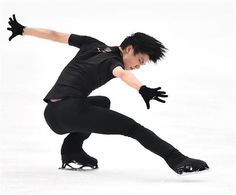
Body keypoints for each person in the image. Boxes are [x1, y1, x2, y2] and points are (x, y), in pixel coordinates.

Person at [7, 14, 209, 174]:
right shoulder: (114, 63)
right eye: (140, 60)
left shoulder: (92, 44)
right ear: (129, 48)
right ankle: (178, 160)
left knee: (102, 102)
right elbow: (121, 73)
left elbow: (55, 34)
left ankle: (71, 151)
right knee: (133, 128)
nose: (139, 66)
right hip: (70, 112)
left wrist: (23, 30)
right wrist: (142, 88)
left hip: (52, 114)